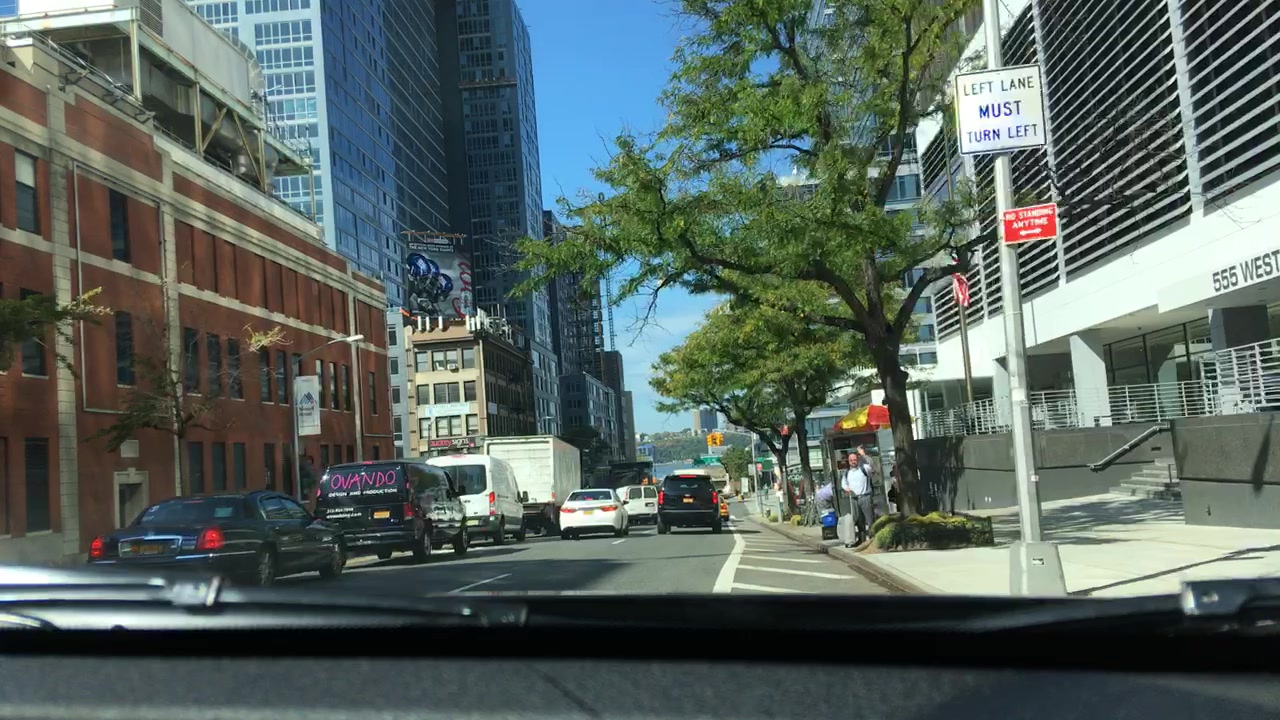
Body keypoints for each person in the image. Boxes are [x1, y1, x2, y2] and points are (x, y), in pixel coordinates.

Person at [841, 447, 875, 544]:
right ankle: (862, 540)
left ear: (858, 460)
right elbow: (843, 483)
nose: (853, 462)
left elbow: (872, 465)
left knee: (870, 520)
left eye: (855, 460)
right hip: (854, 499)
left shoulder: (864, 468)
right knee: (859, 521)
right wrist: (847, 488)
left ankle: (873, 539)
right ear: (849, 461)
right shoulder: (847, 472)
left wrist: (863, 455)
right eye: (851, 460)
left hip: (865, 497)